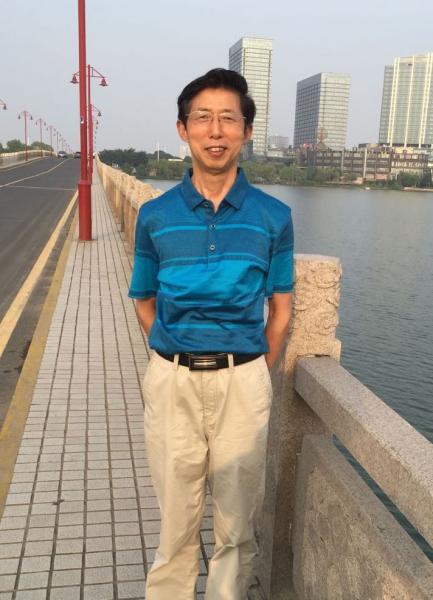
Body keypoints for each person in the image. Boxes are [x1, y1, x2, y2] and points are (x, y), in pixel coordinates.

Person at [129, 68, 294, 599]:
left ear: (247, 131)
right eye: (202, 118)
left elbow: (281, 311)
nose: (215, 130)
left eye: (228, 118)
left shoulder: (273, 216)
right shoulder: (155, 215)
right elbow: (144, 297)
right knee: (175, 524)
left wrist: (252, 371)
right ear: (183, 129)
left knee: (237, 526)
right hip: (172, 382)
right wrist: (172, 352)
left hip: (243, 384)